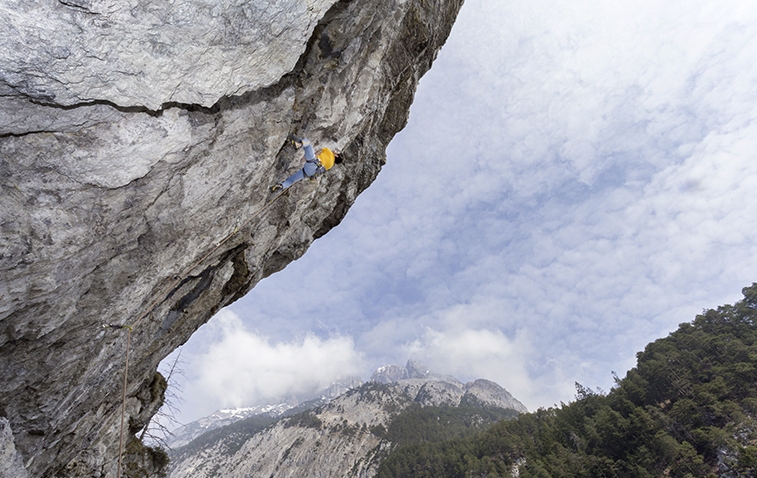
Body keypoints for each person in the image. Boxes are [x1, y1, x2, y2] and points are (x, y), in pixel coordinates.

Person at [270, 136, 343, 192]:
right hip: (310, 173)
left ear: (336, 155)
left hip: (313, 162)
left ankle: (299, 144)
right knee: (291, 180)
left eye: (337, 151)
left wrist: (306, 158)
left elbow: (317, 153)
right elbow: (322, 170)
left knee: (308, 144)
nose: (335, 150)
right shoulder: (331, 165)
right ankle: (281, 186)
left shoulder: (328, 151)